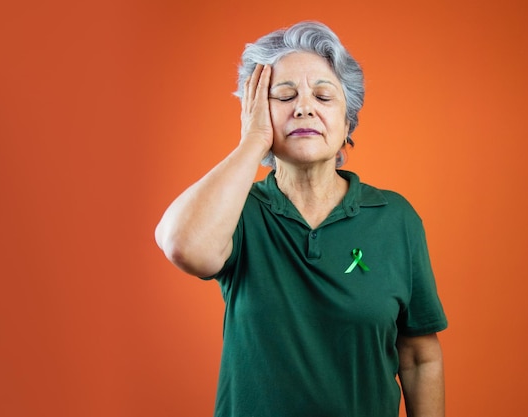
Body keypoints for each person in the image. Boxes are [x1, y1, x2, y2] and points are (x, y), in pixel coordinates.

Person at [155, 21, 448, 417]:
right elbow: (183, 245)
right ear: (257, 113)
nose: (304, 107)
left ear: (348, 122)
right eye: (284, 95)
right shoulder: (239, 211)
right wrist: (251, 141)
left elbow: (418, 357)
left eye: (324, 96)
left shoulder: (395, 219)